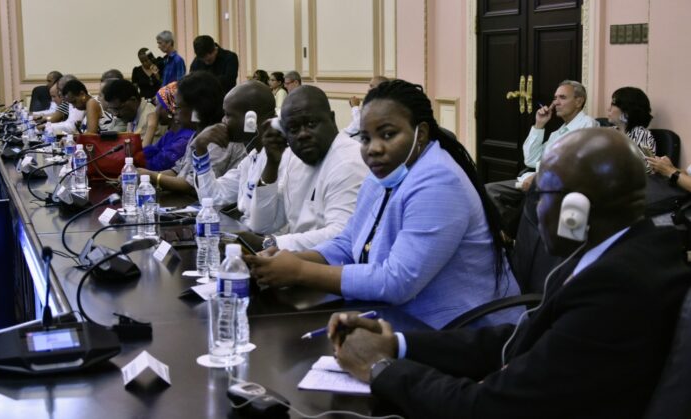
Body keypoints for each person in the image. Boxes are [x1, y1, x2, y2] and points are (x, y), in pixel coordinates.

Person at [327, 127, 691, 418]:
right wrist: (398, 344)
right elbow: (520, 339)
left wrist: (380, 368)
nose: (535, 209)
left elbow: (487, 408)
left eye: (542, 194)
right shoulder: (630, 249)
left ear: (574, 212)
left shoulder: (615, 288)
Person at [246, 80, 520, 329]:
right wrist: (289, 259)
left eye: (387, 135)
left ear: (421, 133)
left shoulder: (439, 181)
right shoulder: (386, 173)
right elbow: (348, 243)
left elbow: (397, 281)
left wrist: (300, 272)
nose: (373, 148)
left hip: (463, 334)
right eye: (366, 138)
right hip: (401, 320)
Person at [233, 84, 367, 252]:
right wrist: (272, 164)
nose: (303, 134)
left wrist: (270, 243)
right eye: (293, 129)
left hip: (334, 265)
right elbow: (262, 224)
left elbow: (341, 236)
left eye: (311, 123)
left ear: (332, 119)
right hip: (298, 260)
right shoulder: (293, 157)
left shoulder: (348, 161)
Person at [485, 80, 599, 235]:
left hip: (557, 186)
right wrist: (539, 125)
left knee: (520, 202)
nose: (556, 102)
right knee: (489, 191)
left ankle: (515, 232)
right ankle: (513, 231)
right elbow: (530, 159)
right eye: (555, 98)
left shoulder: (588, 125)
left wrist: (539, 177)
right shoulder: (558, 132)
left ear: (579, 101)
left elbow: (575, 165)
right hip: (533, 180)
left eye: (562, 97)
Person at [137, 72, 246, 195]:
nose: (174, 112)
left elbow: (192, 185)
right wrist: (143, 176)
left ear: (197, 109)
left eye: (178, 107)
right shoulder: (197, 133)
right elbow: (178, 170)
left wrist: (151, 176)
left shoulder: (217, 136)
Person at [191, 80, 277, 226]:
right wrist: (200, 149)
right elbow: (212, 198)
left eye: (228, 115)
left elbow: (269, 227)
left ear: (251, 120)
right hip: (248, 236)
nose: (223, 121)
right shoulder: (251, 159)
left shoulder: (281, 161)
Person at [141, 82, 194, 171]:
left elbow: (150, 165)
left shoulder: (185, 138)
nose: (155, 111)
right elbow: (146, 155)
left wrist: (151, 127)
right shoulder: (171, 133)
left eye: (157, 105)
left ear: (169, 108)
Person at [102, 78, 162, 147]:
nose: (116, 114)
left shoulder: (149, 119)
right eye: (113, 109)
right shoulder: (133, 115)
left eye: (118, 108)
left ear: (133, 100)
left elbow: (145, 152)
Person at [608, 86, 655, 170]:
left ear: (626, 110)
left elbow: (646, 169)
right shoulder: (609, 132)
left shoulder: (642, 134)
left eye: (612, 105)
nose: (608, 109)